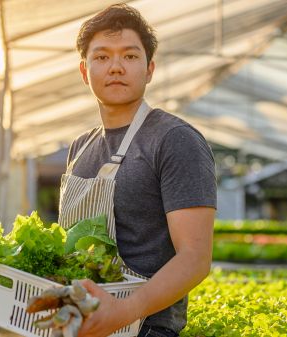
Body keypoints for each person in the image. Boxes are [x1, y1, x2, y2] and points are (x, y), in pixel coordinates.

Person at [58, 4, 217, 337]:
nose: (116, 67)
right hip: (80, 323)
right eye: (102, 57)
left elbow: (195, 258)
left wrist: (122, 312)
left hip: (145, 329)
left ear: (149, 70)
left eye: (130, 57)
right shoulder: (80, 147)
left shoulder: (175, 140)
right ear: (85, 72)